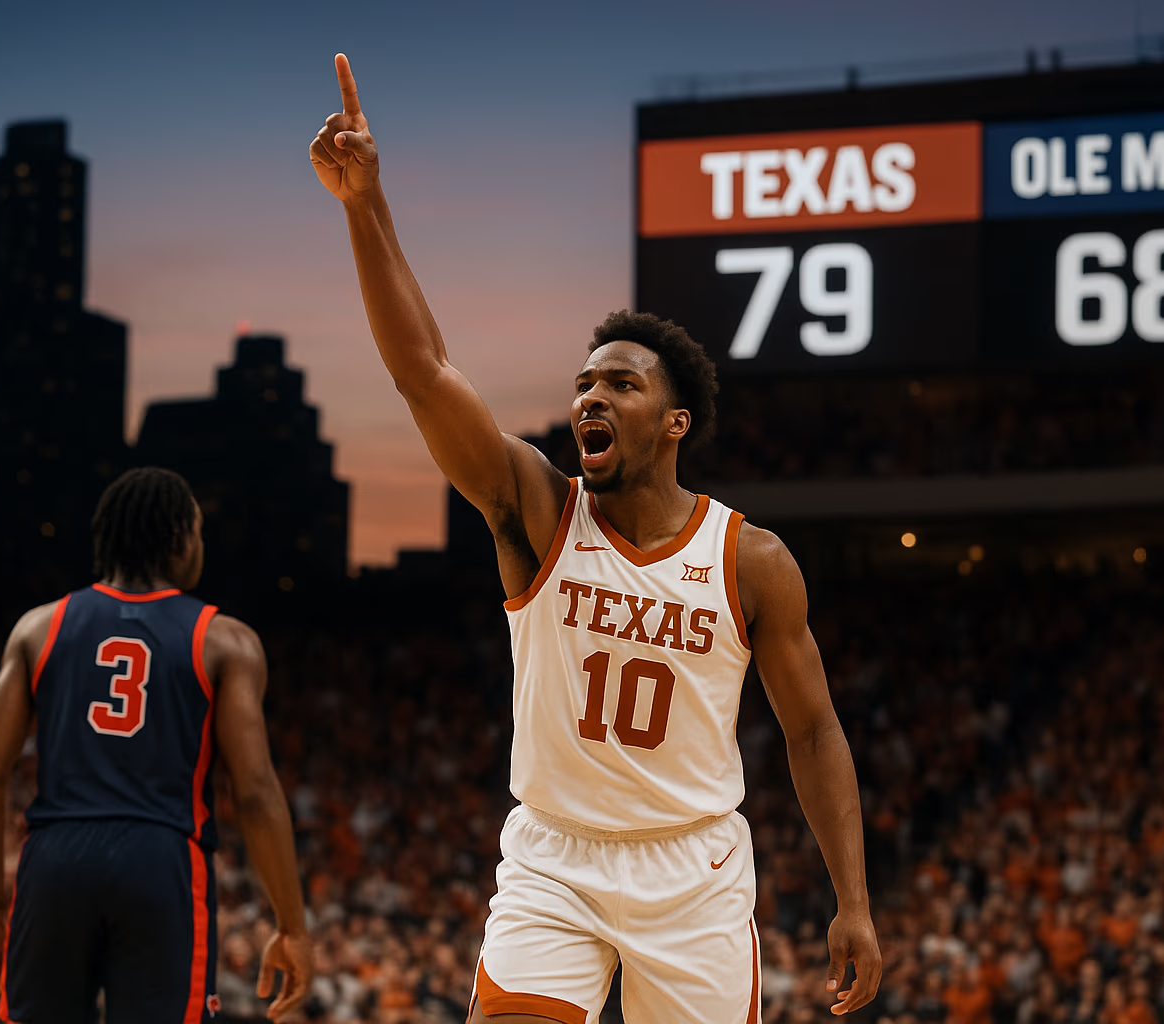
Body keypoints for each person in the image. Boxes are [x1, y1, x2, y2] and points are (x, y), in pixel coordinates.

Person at [310, 54, 882, 1023]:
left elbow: (814, 729)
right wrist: (366, 207)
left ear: (675, 422)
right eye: (584, 384)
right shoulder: (539, 509)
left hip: (693, 865)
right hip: (556, 854)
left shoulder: (750, 560)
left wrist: (855, 901)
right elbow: (424, 372)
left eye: (621, 383)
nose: (591, 397)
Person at [0, 468, 311, 1023]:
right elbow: (255, 794)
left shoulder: (37, 628)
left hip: (56, 857)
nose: (201, 544)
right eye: (197, 530)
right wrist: (291, 925)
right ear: (177, 538)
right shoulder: (226, 640)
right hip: (162, 859)